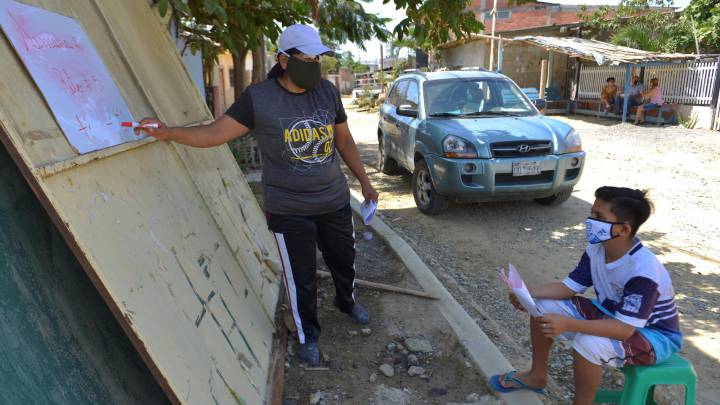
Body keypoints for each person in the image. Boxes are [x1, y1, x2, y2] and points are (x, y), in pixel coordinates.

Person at [134, 24, 379, 366]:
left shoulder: (326, 92)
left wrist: (364, 182)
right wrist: (168, 132)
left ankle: (346, 300)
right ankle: (307, 334)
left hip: (334, 199)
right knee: (301, 278)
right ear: (283, 60)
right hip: (289, 208)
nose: (315, 66)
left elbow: (344, 141)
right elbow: (215, 134)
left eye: (318, 59)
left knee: (344, 259)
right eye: (307, 59)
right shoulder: (259, 98)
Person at [489, 186, 682, 405]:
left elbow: (624, 329)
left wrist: (569, 324)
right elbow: (568, 288)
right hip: (613, 316)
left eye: (598, 217)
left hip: (653, 336)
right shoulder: (597, 250)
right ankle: (537, 376)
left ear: (624, 229)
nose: (590, 221)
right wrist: (526, 292)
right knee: (541, 306)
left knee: (588, 343)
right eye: (592, 213)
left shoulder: (644, 271)